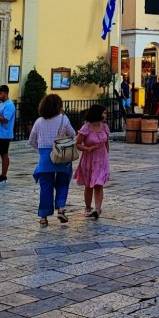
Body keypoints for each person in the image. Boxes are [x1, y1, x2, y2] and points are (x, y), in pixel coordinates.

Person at [29, 93, 75, 226]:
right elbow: (73, 134)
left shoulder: (39, 121)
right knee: (62, 183)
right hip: (61, 156)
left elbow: (32, 141)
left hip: (45, 157)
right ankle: (60, 208)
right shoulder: (63, 119)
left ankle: (43, 216)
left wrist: (42, 151)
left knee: (46, 187)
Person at [74, 105, 110, 219]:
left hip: (101, 160)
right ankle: (88, 207)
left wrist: (106, 156)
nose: (105, 115)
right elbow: (78, 144)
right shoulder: (86, 128)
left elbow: (106, 143)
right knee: (89, 185)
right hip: (89, 160)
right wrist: (87, 148)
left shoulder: (105, 127)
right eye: (104, 113)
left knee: (99, 184)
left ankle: (98, 209)